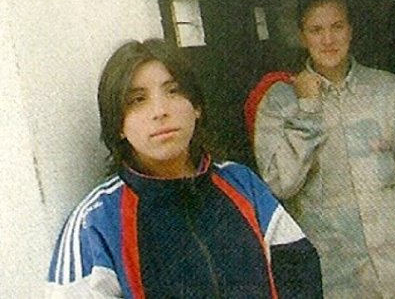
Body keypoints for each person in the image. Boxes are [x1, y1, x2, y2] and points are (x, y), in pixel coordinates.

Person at [46, 38, 322, 298]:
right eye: (138, 100)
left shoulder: (242, 184)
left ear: (196, 106)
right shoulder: (96, 222)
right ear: (118, 124)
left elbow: (300, 272)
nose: (160, 111)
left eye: (173, 91)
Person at [253, 0, 395, 298]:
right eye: (316, 30)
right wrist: (308, 110)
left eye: (337, 26)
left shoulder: (387, 90)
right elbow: (280, 184)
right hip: (335, 277)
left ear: (350, 30)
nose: (328, 39)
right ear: (302, 37)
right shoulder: (279, 103)